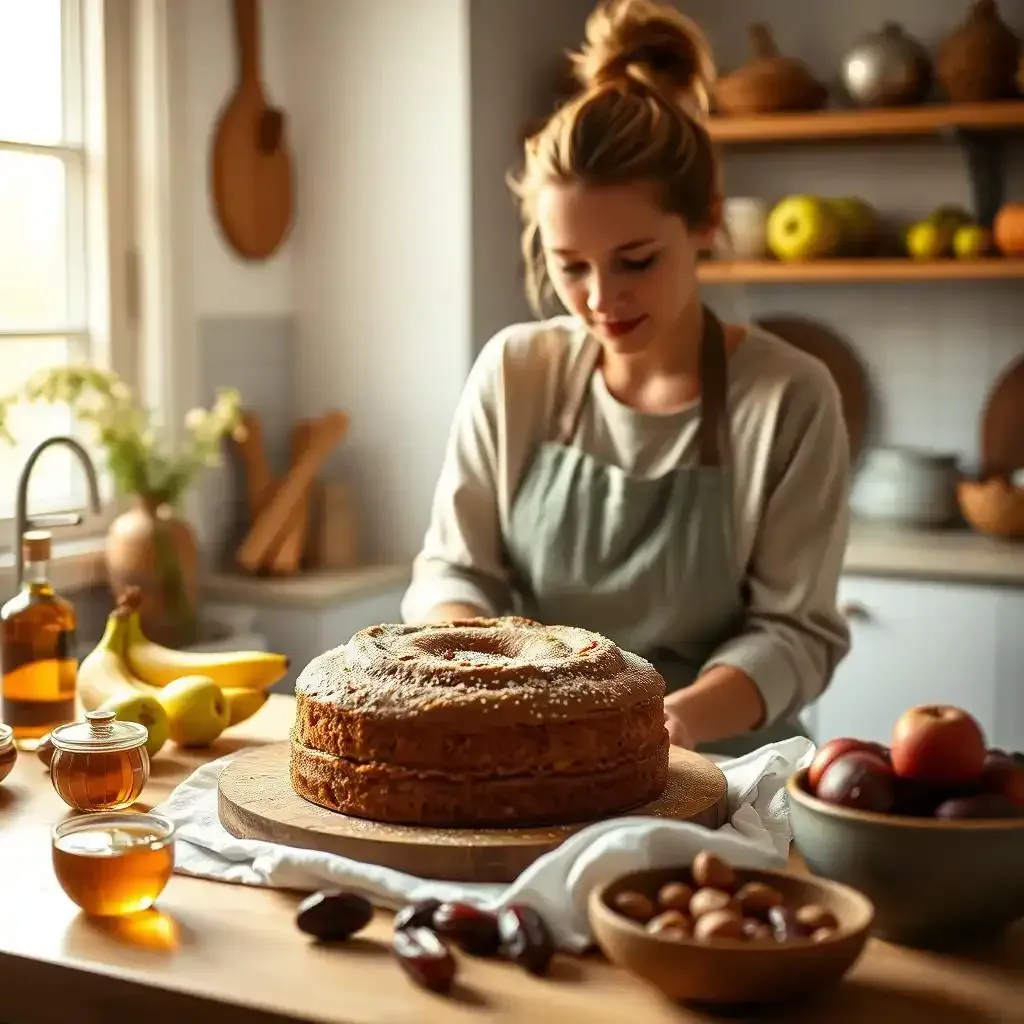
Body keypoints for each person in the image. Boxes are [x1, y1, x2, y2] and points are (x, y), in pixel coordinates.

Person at [400, 0, 851, 758]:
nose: (601, 300)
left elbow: (793, 634)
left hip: (721, 765)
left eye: (636, 261)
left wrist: (662, 726)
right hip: (534, 754)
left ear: (705, 220)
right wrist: (469, 663)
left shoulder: (789, 398)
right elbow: (454, 567)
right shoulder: (517, 374)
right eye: (569, 265)